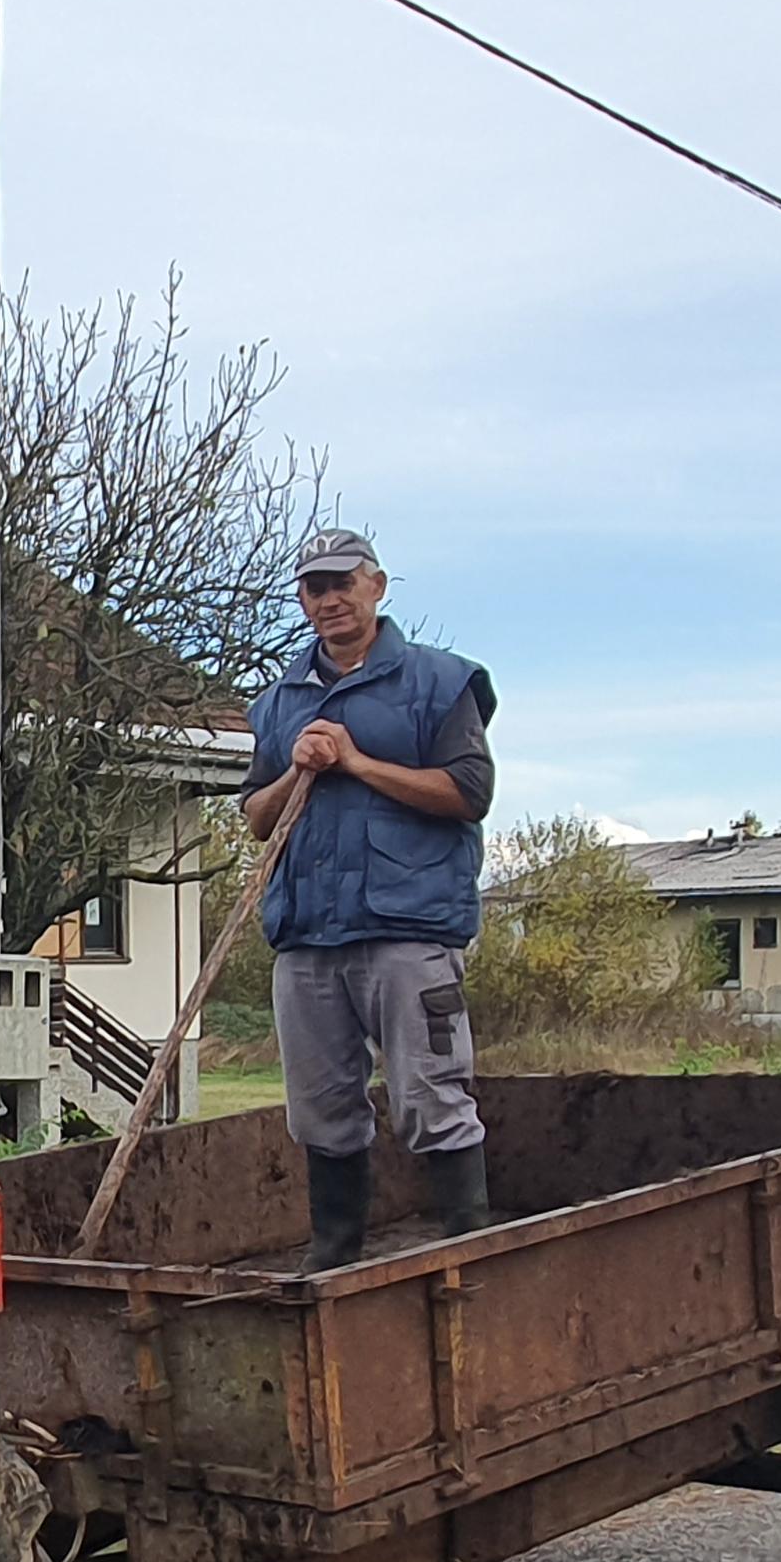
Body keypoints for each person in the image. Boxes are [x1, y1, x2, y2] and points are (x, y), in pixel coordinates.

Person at [239, 528, 501, 1268]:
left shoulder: (439, 683)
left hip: (408, 930)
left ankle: (469, 1245)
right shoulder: (278, 703)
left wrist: (355, 760)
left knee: (429, 1094)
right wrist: (298, 769)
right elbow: (259, 819)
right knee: (319, 1107)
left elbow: (469, 794)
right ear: (302, 599)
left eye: (343, 583)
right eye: (314, 588)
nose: (329, 599)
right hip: (307, 935)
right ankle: (335, 1254)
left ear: (377, 587)